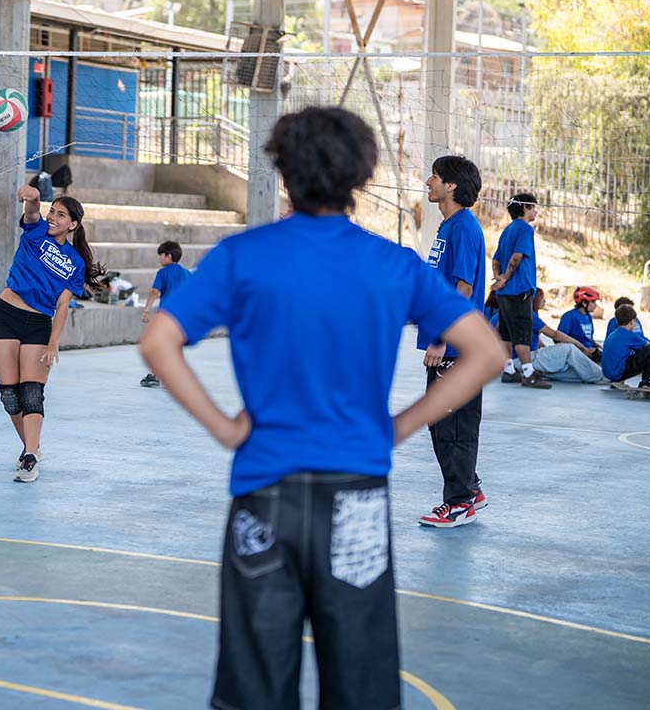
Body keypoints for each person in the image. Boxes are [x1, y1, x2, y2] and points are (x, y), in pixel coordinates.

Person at [139, 107, 503, 710]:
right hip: (356, 494)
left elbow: (158, 340)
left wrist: (227, 428)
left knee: (254, 685)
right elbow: (486, 352)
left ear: (283, 173)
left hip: (265, 492)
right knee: (361, 685)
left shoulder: (243, 257)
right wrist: (402, 425)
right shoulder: (392, 264)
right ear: (360, 176)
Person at [0, 185, 105, 483]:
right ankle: (33, 447)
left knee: (31, 393)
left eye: (60, 214)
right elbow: (31, 210)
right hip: (6, 314)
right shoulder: (36, 231)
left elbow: (63, 306)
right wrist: (34, 196)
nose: (53, 217)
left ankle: (28, 457)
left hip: (38, 324)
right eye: (52, 210)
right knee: (10, 397)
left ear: (73, 224)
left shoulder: (76, 263)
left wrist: (53, 343)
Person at [417, 155, 490, 528]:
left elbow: (464, 288)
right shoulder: (449, 226)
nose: (428, 181)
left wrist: (443, 339)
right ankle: (470, 487)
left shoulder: (463, 228)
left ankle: (460, 502)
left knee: (453, 427)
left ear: (451, 186)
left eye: (436, 176)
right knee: (442, 422)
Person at [491, 192, 550, 388]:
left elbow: (496, 259)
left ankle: (508, 370)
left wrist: (499, 277)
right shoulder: (525, 229)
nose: (535, 211)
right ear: (524, 207)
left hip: (505, 292)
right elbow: (516, 257)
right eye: (533, 207)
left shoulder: (507, 230)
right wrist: (506, 278)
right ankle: (528, 373)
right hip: (519, 289)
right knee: (523, 330)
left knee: (507, 331)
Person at [140, 240, 190, 388]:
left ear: (168, 256)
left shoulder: (162, 273)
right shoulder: (187, 273)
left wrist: (146, 310)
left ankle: (154, 375)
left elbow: (155, 291)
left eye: (161, 255)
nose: (159, 258)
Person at [526, 289, 605, 383]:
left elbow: (536, 339)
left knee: (577, 374)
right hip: (530, 357)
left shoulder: (588, 317)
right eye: (542, 298)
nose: (545, 301)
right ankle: (602, 377)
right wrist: (579, 346)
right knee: (569, 349)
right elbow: (555, 335)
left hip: (535, 355)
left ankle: (544, 373)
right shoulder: (531, 316)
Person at [601, 303, 650, 386]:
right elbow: (647, 345)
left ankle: (619, 381)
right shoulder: (629, 335)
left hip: (608, 373)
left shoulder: (614, 333)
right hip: (618, 373)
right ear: (632, 322)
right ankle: (646, 382)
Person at [557, 286, 601, 360]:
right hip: (577, 354)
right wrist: (580, 348)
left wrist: (597, 345)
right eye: (593, 302)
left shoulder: (588, 316)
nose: (595, 305)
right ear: (584, 303)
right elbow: (558, 339)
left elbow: (588, 338)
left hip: (590, 351)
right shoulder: (570, 316)